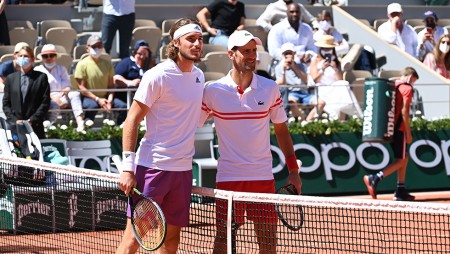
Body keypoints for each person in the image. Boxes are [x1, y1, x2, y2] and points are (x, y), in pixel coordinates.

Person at [200, 30, 302, 253]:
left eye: (254, 51)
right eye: (246, 51)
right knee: (223, 239)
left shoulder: (270, 88)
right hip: (229, 179)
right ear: (231, 54)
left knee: (268, 243)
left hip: (262, 178)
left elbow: (282, 131)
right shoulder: (212, 91)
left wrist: (293, 170)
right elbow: (189, 126)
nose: (252, 56)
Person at [116, 18, 204, 254]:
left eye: (200, 39)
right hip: (153, 168)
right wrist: (128, 167)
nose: (197, 44)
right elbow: (131, 120)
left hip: (183, 171)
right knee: (133, 239)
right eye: (191, 39)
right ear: (176, 42)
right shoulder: (157, 75)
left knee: (172, 239)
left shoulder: (199, 76)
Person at [363, 67, 419, 202]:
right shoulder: (407, 88)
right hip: (400, 129)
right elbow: (405, 111)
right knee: (402, 159)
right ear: (410, 76)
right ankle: (375, 178)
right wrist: (408, 132)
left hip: (389, 128)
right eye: (414, 81)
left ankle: (400, 189)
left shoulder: (393, 85)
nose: (413, 84)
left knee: (404, 157)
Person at [74, 34, 127, 125]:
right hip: (89, 97)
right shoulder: (82, 64)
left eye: (100, 46)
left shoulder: (107, 64)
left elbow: (111, 85)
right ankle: (86, 130)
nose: (97, 48)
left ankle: (120, 130)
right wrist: (98, 99)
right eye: (94, 46)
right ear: (87, 48)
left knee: (123, 107)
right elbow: (81, 87)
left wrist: (110, 99)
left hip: (106, 97)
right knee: (91, 107)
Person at [309, 35, 362, 120]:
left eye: (328, 49)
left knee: (344, 85)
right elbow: (315, 79)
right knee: (343, 89)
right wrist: (322, 69)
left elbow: (340, 79)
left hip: (335, 88)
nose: (326, 51)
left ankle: (341, 121)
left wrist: (335, 69)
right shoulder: (315, 61)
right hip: (321, 90)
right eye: (324, 49)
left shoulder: (336, 62)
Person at [2, 45, 50, 139]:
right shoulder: (10, 78)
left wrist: (32, 120)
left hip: (35, 126)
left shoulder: (41, 78)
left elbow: (45, 102)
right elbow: (6, 103)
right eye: (20, 56)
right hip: (15, 127)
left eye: (26, 56)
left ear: (32, 59)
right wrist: (15, 120)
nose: (23, 58)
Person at [34, 44, 85, 131]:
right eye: (45, 56)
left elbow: (67, 85)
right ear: (42, 58)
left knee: (75, 94)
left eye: (52, 55)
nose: (49, 58)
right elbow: (40, 90)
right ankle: (50, 126)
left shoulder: (61, 69)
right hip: (47, 97)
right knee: (54, 103)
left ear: (56, 57)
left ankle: (80, 123)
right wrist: (56, 99)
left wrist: (65, 91)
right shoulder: (38, 70)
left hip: (62, 95)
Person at [275, 42, 325, 121]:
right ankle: (303, 121)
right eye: (286, 54)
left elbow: (306, 80)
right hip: (291, 93)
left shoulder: (300, 65)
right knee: (291, 103)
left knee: (321, 103)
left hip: (304, 92)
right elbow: (283, 84)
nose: (288, 56)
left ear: (294, 53)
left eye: (290, 53)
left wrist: (294, 67)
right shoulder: (279, 67)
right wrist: (284, 71)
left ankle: (308, 120)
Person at [113, 39, 154, 105]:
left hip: (146, 97)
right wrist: (130, 83)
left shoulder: (151, 65)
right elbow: (115, 78)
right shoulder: (127, 62)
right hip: (126, 96)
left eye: (145, 54)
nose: (142, 56)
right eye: (140, 53)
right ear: (134, 53)